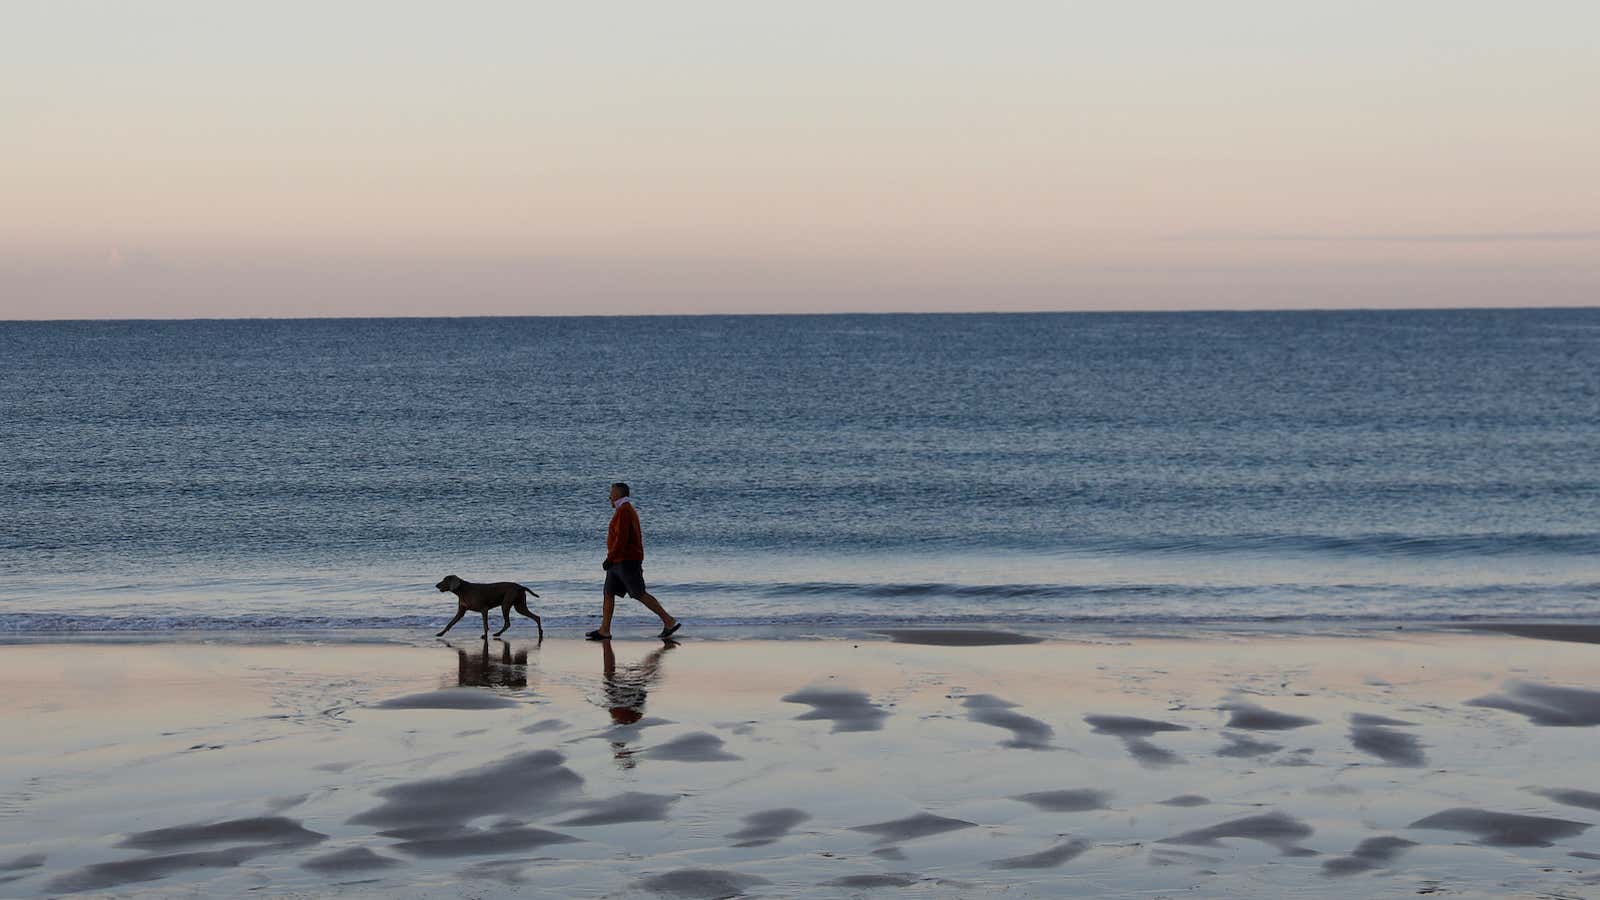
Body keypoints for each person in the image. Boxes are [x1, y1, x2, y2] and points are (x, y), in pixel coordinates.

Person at [586, 482, 680, 641]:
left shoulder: (624, 511)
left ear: (618, 495)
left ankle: (669, 620)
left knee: (638, 593)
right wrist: (612, 558)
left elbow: (622, 539)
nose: (609, 497)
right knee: (608, 593)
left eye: (611, 494)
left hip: (626, 560)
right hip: (618, 560)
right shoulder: (623, 510)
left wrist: (610, 558)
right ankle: (604, 630)